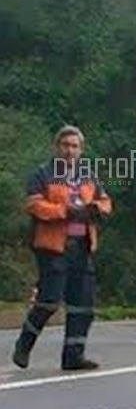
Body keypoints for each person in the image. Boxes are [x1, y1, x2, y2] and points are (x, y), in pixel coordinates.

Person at [12, 125, 112, 370]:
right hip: (53, 246)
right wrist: (65, 211)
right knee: (49, 301)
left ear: (81, 150)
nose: (70, 151)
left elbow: (105, 201)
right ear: (57, 147)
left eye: (74, 146)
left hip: (83, 246)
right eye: (65, 145)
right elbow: (34, 206)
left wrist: (96, 209)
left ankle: (73, 356)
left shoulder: (88, 174)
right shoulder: (43, 174)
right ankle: (24, 345)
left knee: (82, 305)